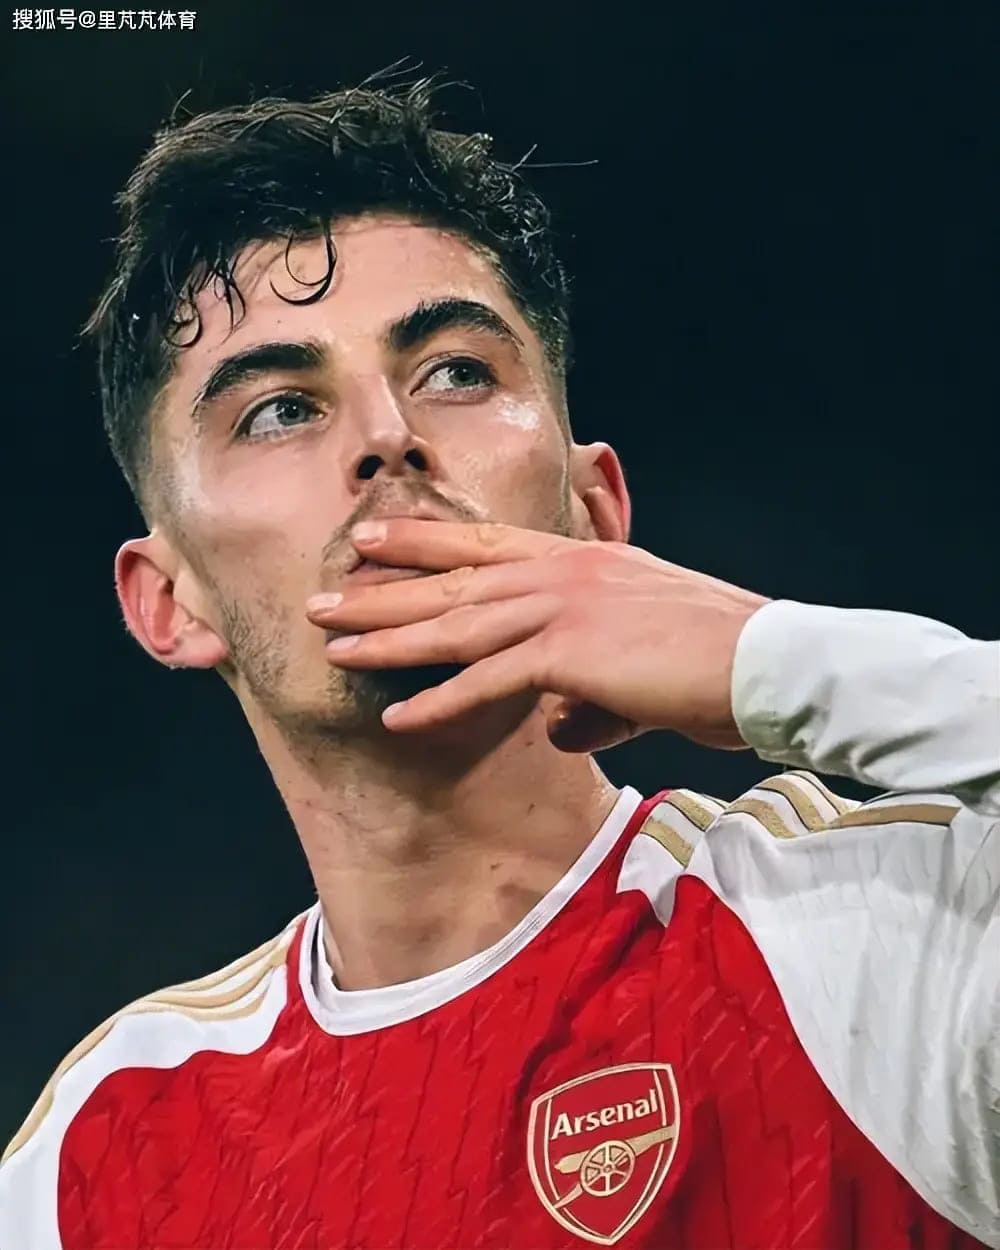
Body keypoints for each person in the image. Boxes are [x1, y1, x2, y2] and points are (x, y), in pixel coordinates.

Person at [1, 73, 996, 1250]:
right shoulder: (96, 1159)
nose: (387, 435)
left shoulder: (883, 937)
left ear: (594, 510)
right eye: (279, 408)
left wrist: (768, 656)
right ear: (170, 601)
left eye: (456, 372)